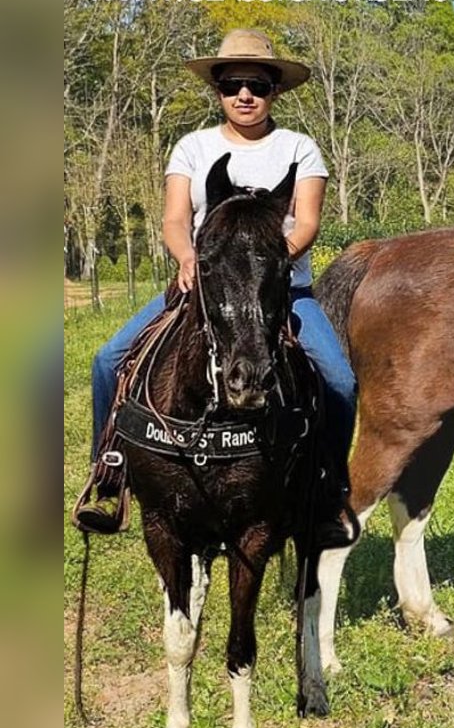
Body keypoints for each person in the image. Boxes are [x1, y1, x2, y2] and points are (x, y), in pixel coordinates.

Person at [77, 29, 356, 532]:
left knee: (338, 378)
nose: (244, 95)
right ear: (219, 91)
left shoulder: (300, 149)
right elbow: (175, 219)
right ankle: (109, 469)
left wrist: (263, 267)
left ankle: (329, 488)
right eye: (232, 85)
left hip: (284, 289)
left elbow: (308, 222)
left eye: (257, 85)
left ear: (275, 91)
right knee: (107, 358)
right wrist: (189, 258)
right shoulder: (192, 147)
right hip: (202, 282)